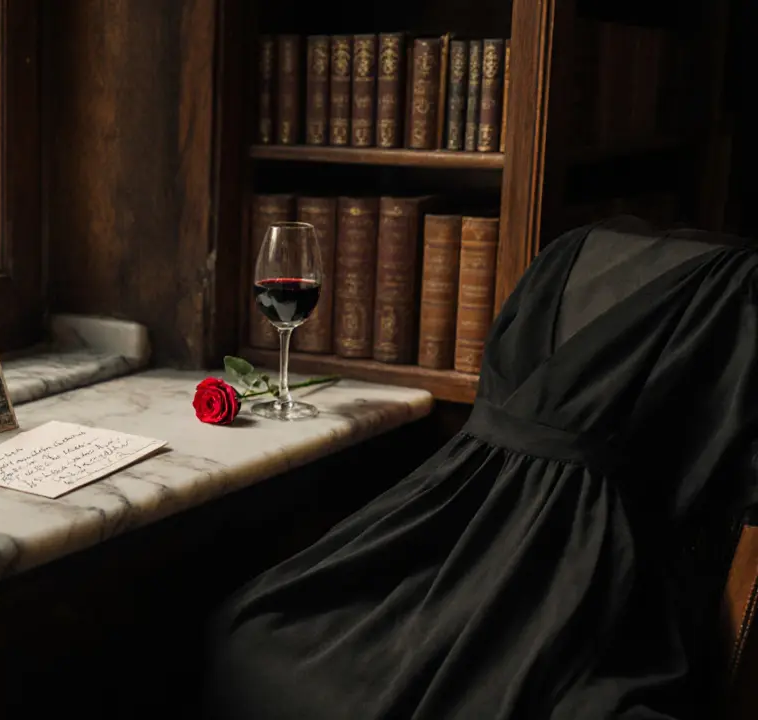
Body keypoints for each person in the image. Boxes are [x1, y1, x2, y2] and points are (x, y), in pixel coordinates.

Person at [205, 219, 758, 719]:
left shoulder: (702, 285)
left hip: (568, 553)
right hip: (469, 512)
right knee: (254, 629)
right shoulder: (576, 258)